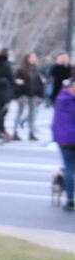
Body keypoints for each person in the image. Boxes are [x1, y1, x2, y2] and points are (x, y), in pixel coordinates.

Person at [13, 52, 43, 141]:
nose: (35, 59)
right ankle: (15, 132)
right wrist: (18, 94)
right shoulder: (21, 70)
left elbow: (38, 82)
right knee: (20, 112)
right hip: (23, 94)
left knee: (32, 114)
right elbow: (16, 82)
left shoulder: (36, 69)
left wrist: (39, 93)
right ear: (28, 58)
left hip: (32, 94)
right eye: (33, 57)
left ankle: (31, 132)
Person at [55, 79, 75, 212]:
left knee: (69, 168)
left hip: (64, 138)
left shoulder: (62, 99)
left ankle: (69, 199)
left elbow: (56, 120)